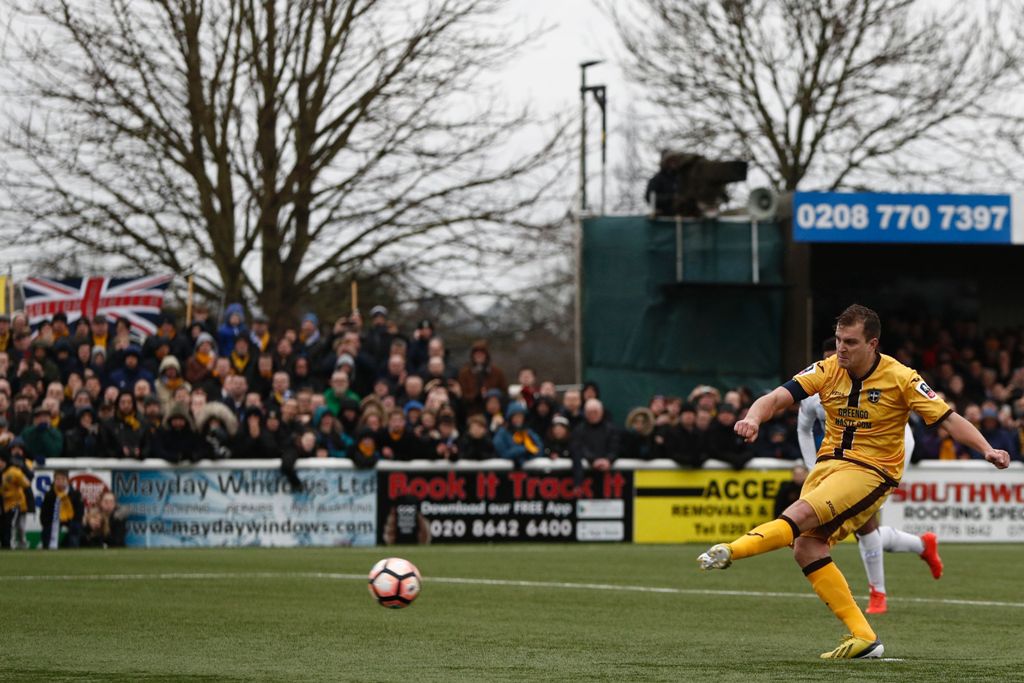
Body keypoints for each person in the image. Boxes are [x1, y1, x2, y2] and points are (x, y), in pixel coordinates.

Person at [697, 304, 1011, 660]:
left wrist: (987, 449)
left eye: (849, 342)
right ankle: (864, 637)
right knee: (807, 548)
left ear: (872, 344)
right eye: (837, 340)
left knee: (799, 516)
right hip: (828, 467)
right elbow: (777, 398)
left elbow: (949, 419)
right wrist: (753, 417)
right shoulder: (828, 369)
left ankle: (729, 550)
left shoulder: (902, 378)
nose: (840, 348)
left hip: (871, 472)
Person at [796, 336, 940, 615]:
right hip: (845, 457)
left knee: (863, 521)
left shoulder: (877, 380)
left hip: (889, 450)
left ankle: (879, 594)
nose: (838, 361)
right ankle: (922, 544)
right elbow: (803, 429)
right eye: (831, 358)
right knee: (863, 523)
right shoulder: (816, 390)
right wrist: (813, 467)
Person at [41, 469, 85, 549]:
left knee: (75, 528)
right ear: (54, 480)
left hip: (71, 518)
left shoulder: (75, 493)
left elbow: (79, 511)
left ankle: (73, 548)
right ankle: (48, 547)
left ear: (67, 480)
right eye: (57, 479)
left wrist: (76, 521)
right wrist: (46, 523)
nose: (60, 481)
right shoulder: (50, 495)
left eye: (63, 479)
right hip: (54, 519)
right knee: (48, 529)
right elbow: (44, 512)